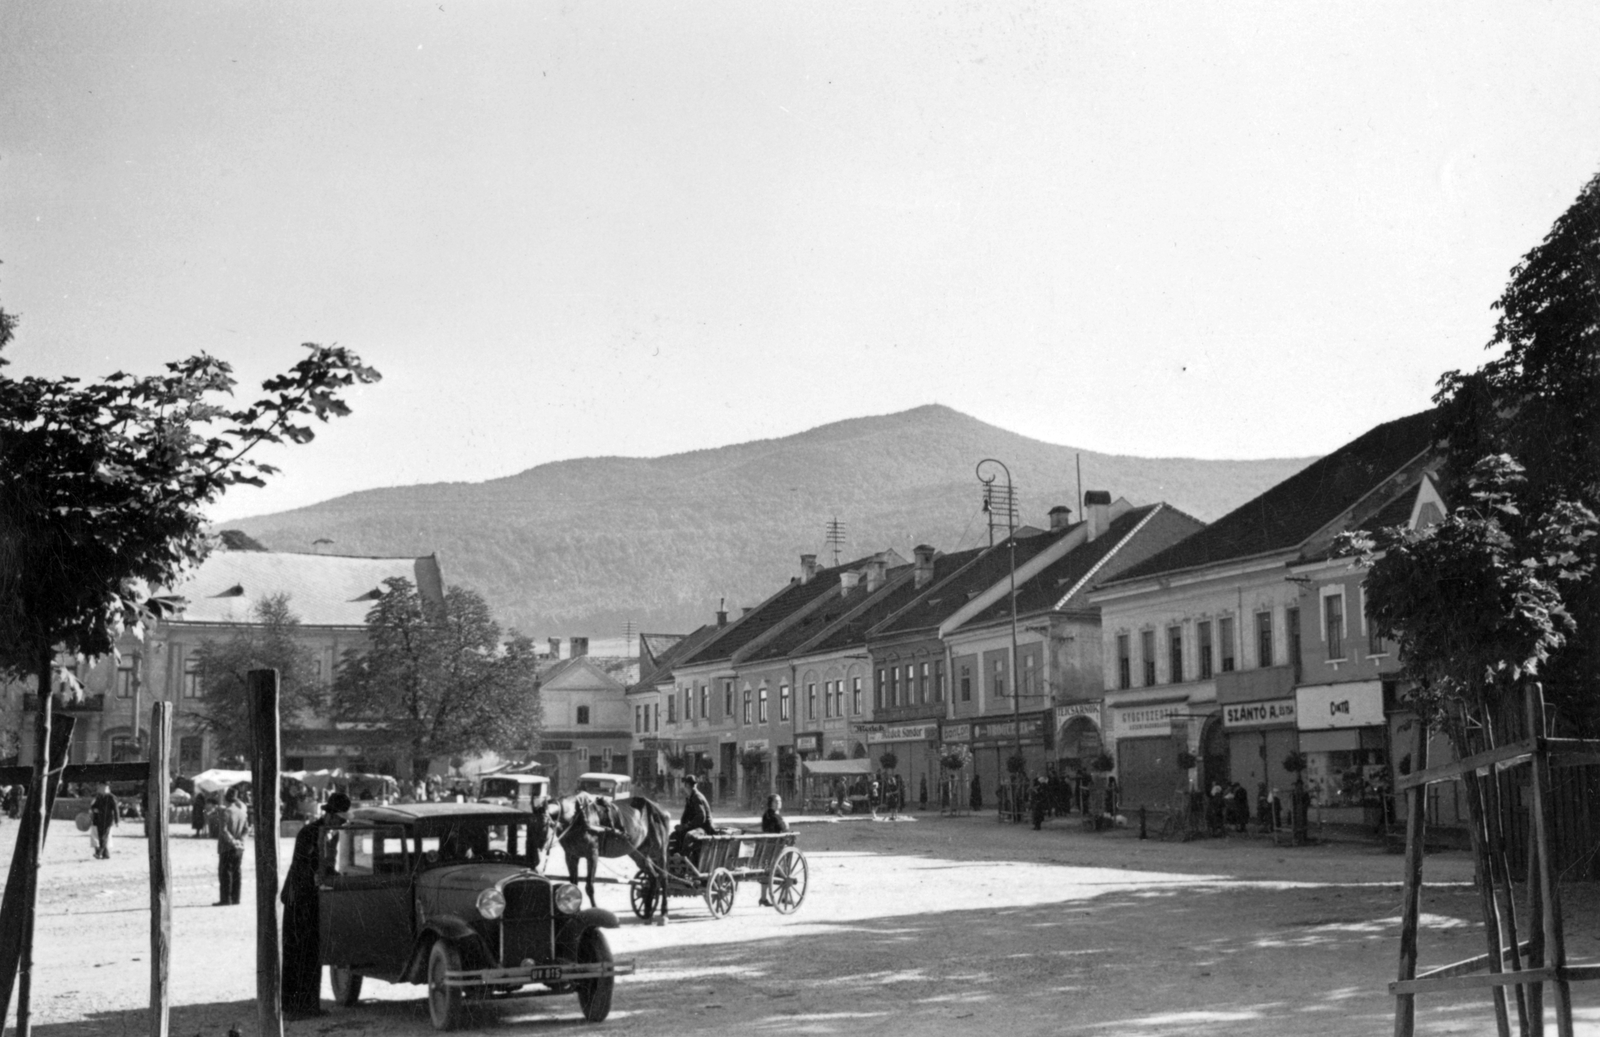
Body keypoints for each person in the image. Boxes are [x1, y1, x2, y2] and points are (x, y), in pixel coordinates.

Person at [280, 791, 351, 1019]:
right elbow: (303, 866)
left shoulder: (331, 835)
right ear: (330, 816)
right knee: (297, 953)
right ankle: (293, 1007)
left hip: (313, 900)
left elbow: (327, 865)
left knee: (312, 954)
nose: (340, 824)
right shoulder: (309, 833)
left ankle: (310, 1005)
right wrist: (316, 877)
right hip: (299, 899)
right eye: (338, 820)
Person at [215, 788, 249, 905]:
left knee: (226, 873)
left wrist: (233, 841)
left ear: (226, 799)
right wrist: (240, 841)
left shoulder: (225, 812)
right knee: (237, 872)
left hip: (227, 847)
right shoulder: (242, 813)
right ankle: (236, 898)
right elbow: (246, 830)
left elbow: (223, 831)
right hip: (239, 848)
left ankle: (226, 899)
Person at [670, 774, 714, 859]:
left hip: (704, 829)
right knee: (674, 835)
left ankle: (683, 858)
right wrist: (682, 826)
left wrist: (687, 825)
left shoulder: (696, 797)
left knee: (689, 836)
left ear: (687, 785)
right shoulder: (691, 797)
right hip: (697, 828)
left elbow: (701, 817)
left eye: (686, 785)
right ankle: (673, 857)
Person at [757, 794, 788, 906]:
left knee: (766, 871)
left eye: (780, 801)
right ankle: (784, 897)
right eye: (777, 801)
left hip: (767, 848)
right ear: (772, 803)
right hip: (776, 850)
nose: (779, 803)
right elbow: (783, 828)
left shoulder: (766, 815)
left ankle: (763, 897)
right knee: (785, 871)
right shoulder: (775, 816)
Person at [89, 783, 119, 859]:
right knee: (101, 836)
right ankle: (106, 854)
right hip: (99, 819)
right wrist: (94, 809)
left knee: (104, 836)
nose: (99, 789)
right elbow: (93, 807)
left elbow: (116, 810)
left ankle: (99, 853)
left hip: (108, 820)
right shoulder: (99, 797)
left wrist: (117, 820)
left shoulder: (111, 797)